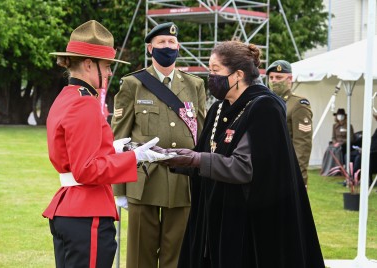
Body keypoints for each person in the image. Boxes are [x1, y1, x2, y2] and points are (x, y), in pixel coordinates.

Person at [154, 40, 324, 268]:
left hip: (246, 226)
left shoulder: (264, 108)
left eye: (215, 71)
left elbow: (244, 167)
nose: (210, 77)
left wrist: (196, 159)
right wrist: (169, 157)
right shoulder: (218, 109)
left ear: (237, 75)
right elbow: (206, 155)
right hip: (212, 220)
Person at [42, 20, 165, 268]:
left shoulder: (67, 96)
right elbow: (86, 169)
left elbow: (73, 151)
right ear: (89, 64)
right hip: (87, 212)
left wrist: (115, 148)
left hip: (71, 208)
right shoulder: (84, 103)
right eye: (107, 66)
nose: (110, 73)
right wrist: (134, 158)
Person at [111, 22, 206, 268]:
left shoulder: (194, 85)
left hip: (182, 180)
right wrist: (119, 190)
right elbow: (119, 138)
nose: (167, 47)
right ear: (150, 48)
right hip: (143, 180)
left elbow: (202, 137)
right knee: (140, 255)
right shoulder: (133, 84)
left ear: (179, 47)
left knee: (177, 255)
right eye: (162, 43)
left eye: (171, 43)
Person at [266, 60, 313, 186]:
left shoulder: (298, 104)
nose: (274, 80)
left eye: (279, 77)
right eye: (271, 77)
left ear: (289, 79)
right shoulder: (266, 102)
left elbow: (302, 145)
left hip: (287, 171)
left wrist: (298, 177)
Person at [320, 108, 355, 176]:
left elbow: (351, 138)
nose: (340, 117)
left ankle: (338, 170)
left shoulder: (348, 126)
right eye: (339, 115)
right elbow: (333, 137)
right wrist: (335, 142)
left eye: (341, 115)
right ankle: (328, 168)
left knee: (337, 150)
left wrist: (341, 143)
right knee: (329, 149)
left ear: (344, 116)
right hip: (336, 143)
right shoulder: (334, 126)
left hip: (344, 144)